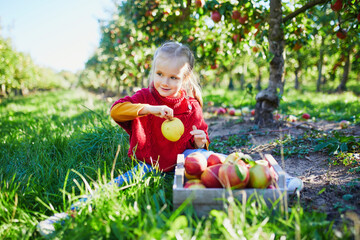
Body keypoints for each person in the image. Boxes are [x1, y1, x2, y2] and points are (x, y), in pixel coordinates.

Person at [37, 41, 211, 236]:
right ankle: (67, 216)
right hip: (149, 165)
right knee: (118, 185)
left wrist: (200, 141)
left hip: (181, 165)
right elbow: (116, 111)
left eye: (173, 77)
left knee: (201, 159)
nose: (164, 82)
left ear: (185, 78)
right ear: (153, 71)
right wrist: (149, 109)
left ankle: (209, 214)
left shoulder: (191, 107)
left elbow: (201, 142)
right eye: (160, 74)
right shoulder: (146, 97)